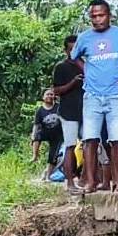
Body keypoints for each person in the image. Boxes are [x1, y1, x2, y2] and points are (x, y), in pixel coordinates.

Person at [71, 0, 118, 193]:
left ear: (109, 16)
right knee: (90, 138)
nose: (97, 19)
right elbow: (75, 57)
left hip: (116, 95)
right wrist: (87, 70)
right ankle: (90, 182)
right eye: (93, 16)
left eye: (101, 15)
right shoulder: (84, 37)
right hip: (92, 95)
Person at [52, 35, 84, 193]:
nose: (74, 52)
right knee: (70, 146)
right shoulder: (61, 67)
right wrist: (73, 83)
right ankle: (70, 181)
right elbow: (56, 90)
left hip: (87, 111)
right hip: (68, 112)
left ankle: (88, 178)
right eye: (71, 49)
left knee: (92, 144)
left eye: (76, 49)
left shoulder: (86, 65)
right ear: (65, 50)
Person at [30, 88, 63, 180]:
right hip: (45, 132)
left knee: (53, 156)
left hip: (57, 135)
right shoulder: (40, 111)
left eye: (51, 94)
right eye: (47, 94)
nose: (49, 96)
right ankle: (35, 156)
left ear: (54, 96)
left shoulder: (59, 107)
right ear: (43, 97)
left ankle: (48, 176)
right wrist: (33, 136)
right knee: (36, 135)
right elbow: (36, 125)